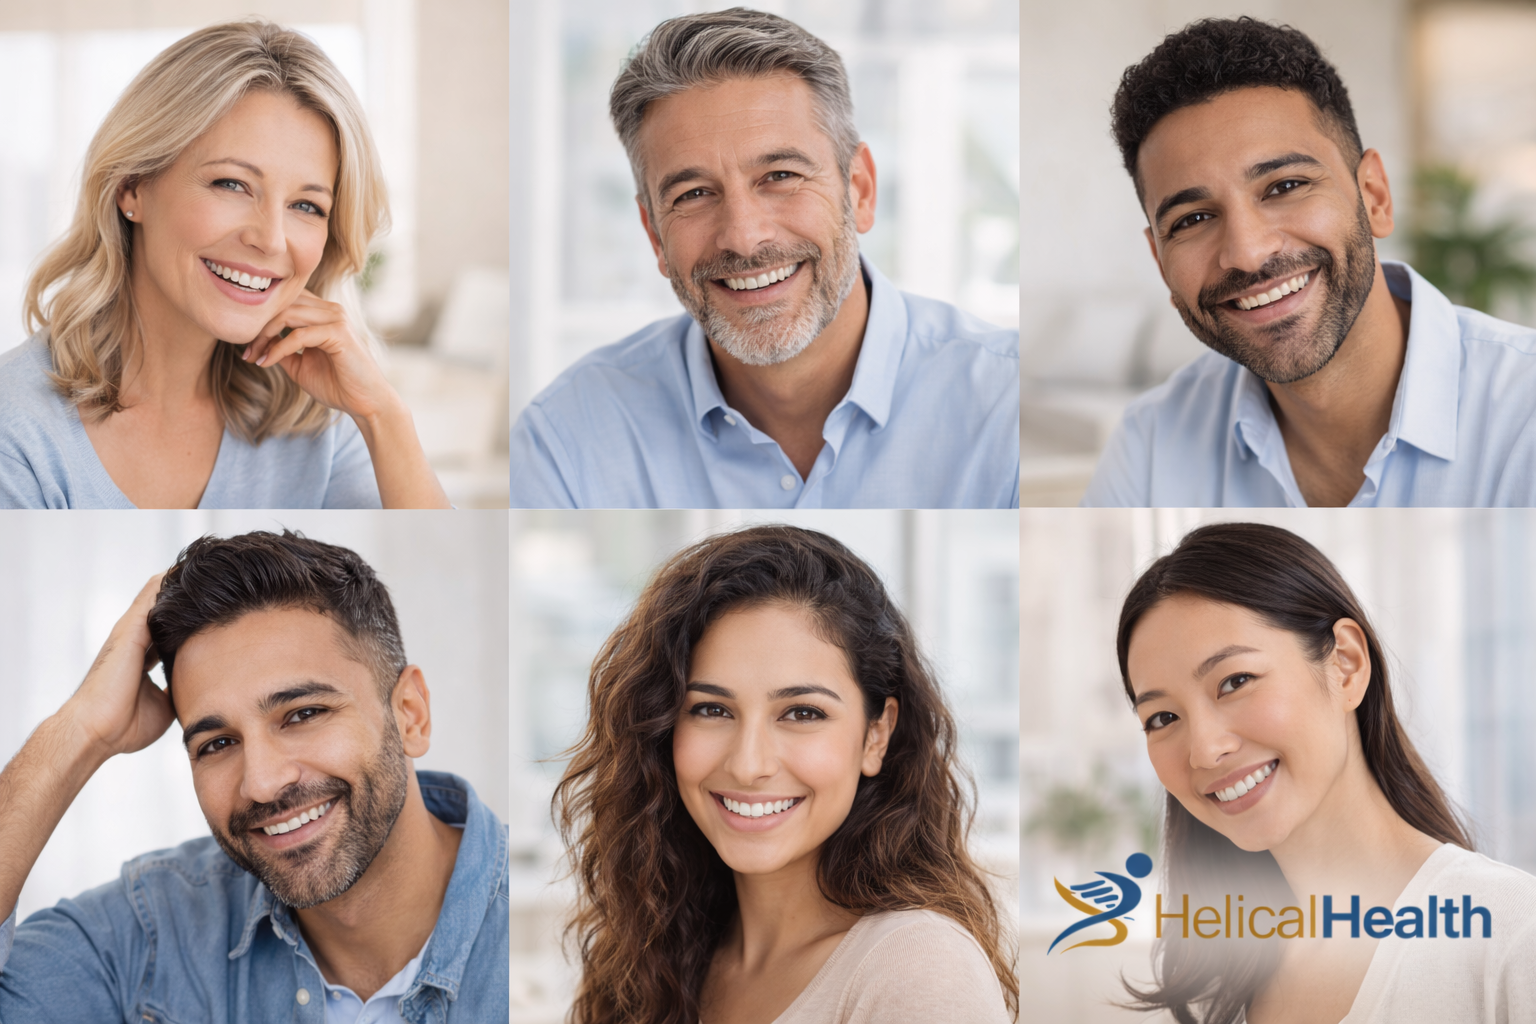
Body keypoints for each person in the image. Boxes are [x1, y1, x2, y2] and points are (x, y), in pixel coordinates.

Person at [508, 9, 1019, 509]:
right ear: (654, 235)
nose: (744, 238)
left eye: (780, 176)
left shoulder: (1005, 403)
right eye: (692, 194)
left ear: (859, 190)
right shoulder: (566, 437)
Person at [0, 531, 507, 1022]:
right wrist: (81, 730)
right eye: (217, 744)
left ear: (410, 715)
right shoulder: (148, 931)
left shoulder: (548, 923)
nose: (262, 783)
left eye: (303, 714)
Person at [553, 526, 1016, 1022]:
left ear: (876, 735)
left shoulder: (918, 969)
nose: (750, 765)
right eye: (711, 710)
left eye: (801, 713)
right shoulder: (650, 956)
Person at [1082, 17, 1536, 508]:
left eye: (1284, 187)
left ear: (1375, 196)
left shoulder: (1522, 414)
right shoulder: (1149, 444)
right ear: (1160, 261)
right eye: (1193, 219)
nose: (1248, 252)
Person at [0, 21, 450, 508]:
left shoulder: (315, 422)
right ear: (132, 187)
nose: (271, 239)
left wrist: (384, 415)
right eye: (232, 184)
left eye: (307, 206)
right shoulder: (19, 431)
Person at [1117, 522, 1536, 1022]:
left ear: (1347, 664)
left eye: (1235, 681)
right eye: (1162, 718)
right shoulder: (1222, 978)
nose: (1204, 751)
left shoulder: (1513, 935)